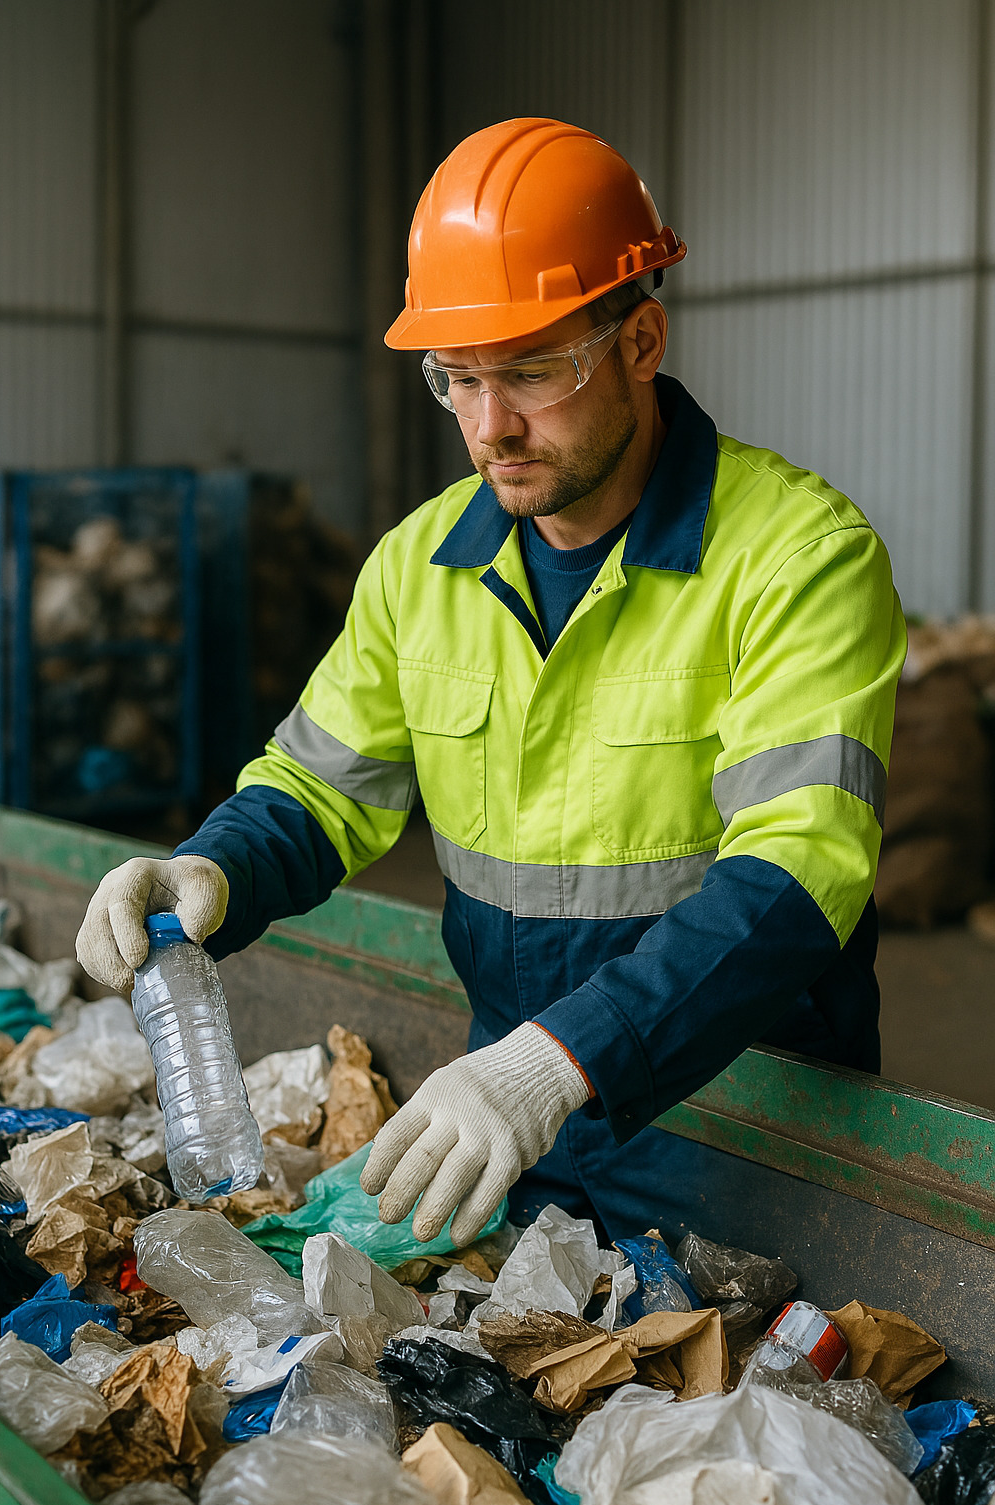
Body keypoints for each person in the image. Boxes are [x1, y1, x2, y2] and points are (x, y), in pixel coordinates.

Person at [76, 118, 905, 1250]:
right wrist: (208, 868)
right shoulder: (421, 566)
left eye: (532, 371)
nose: (489, 426)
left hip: (744, 1151)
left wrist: (554, 1061)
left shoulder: (797, 558)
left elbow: (800, 875)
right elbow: (318, 791)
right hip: (502, 1143)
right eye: (455, 380)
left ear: (641, 340)